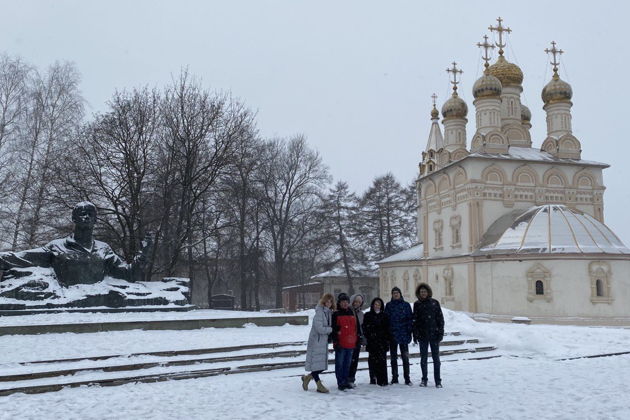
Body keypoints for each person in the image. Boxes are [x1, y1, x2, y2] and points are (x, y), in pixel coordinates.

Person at [412, 283, 445, 388]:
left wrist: (440, 332)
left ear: (428, 292)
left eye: (425, 291)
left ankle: (438, 381)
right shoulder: (417, 304)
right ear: (419, 293)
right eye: (421, 292)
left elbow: (440, 319)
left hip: (434, 335)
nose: (423, 293)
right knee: (423, 359)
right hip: (422, 335)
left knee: (436, 359)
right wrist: (415, 334)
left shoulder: (435, 303)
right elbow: (415, 321)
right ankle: (424, 379)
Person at [303, 293, 335, 393]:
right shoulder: (320, 312)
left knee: (321, 365)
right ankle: (319, 385)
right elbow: (319, 328)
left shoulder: (329, 312)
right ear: (323, 301)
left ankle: (308, 378)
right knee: (317, 365)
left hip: (322, 341)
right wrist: (331, 329)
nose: (329, 303)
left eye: (331, 301)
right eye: (327, 301)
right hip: (316, 341)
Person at [384, 286, 413, 385]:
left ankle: (407, 378)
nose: (395, 294)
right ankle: (395, 377)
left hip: (404, 335)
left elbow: (410, 319)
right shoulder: (388, 305)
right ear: (392, 295)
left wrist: (409, 332)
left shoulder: (406, 305)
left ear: (400, 294)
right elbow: (386, 320)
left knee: (405, 358)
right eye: (394, 293)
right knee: (393, 358)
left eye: (397, 293)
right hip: (392, 335)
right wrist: (388, 334)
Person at [331, 292, 358, 391]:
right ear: (339, 303)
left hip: (350, 343)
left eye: (346, 302)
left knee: (347, 364)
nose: (345, 303)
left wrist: (355, 340)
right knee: (340, 364)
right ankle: (340, 382)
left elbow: (354, 328)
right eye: (343, 302)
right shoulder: (336, 314)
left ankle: (346, 381)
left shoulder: (351, 312)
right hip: (341, 344)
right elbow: (333, 330)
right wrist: (336, 342)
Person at [362, 297, 390, 386]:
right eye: (375, 304)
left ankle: (383, 379)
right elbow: (365, 327)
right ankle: (373, 378)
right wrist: (370, 335)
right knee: (372, 361)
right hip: (372, 341)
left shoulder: (385, 316)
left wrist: (386, 339)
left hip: (382, 341)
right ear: (372, 305)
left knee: (382, 361)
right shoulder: (368, 315)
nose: (377, 306)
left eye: (379, 304)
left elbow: (387, 329)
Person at [347, 293, 365, 387]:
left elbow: (362, 328)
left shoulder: (361, 314)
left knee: (354, 361)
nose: (357, 303)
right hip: (348, 340)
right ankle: (345, 378)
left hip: (357, 340)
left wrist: (363, 339)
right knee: (348, 360)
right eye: (355, 301)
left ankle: (351, 378)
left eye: (359, 302)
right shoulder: (347, 311)